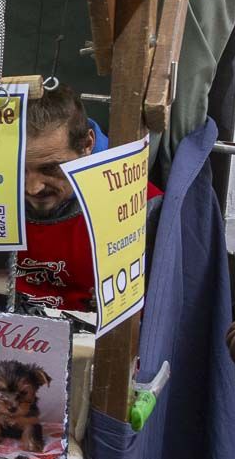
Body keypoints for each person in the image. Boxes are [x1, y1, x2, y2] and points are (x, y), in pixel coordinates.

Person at [17, 84, 161, 312]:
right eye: (20, 170)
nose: (33, 188)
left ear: (87, 145)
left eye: (52, 168)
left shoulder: (141, 207)